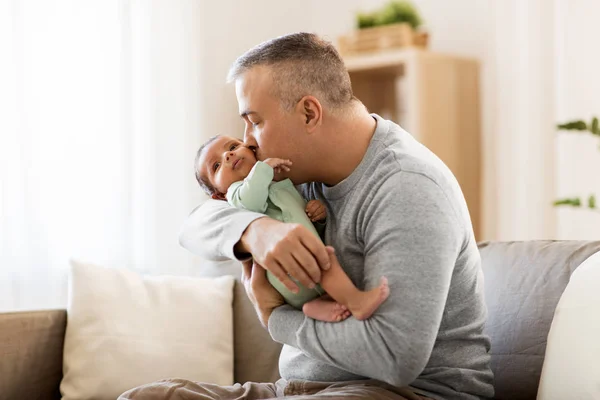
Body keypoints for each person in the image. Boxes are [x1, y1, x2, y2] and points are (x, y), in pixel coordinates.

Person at [120, 32, 494, 400]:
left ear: (309, 113)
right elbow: (193, 226)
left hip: (404, 392)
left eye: (255, 121)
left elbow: (393, 358)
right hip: (299, 390)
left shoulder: (406, 186)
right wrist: (255, 229)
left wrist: (274, 317)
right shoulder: (295, 176)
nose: (247, 140)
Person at [194, 134, 389, 321]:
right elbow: (251, 201)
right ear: (219, 195)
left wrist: (316, 218)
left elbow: (302, 223)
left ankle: (312, 307)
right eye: (217, 165)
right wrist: (263, 168)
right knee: (325, 260)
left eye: (233, 147)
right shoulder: (235, 195)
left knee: (324, 257)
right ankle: (356, 301)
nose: (228, 155)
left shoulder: (278, 184)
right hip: (287, 272)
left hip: (302, 269)